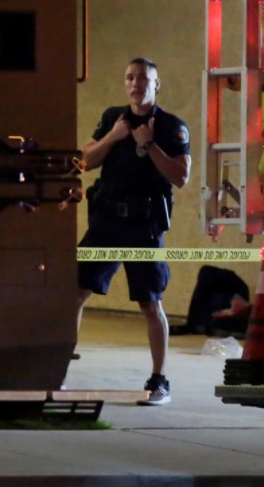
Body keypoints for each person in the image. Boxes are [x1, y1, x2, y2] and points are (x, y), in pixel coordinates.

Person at [76, 57, 191, 405]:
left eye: (143, 77)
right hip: (107, 223)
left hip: (144, 225)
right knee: (74, 294)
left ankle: (159, 381)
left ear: (157, 84)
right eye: (130, 77)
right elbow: (84, 160)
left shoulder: (171, 127)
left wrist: (149, 144)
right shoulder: (114, 118)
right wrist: (114, 136)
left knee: (150, 304)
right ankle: (56, 371)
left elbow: (181, 177)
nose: (136, 83)